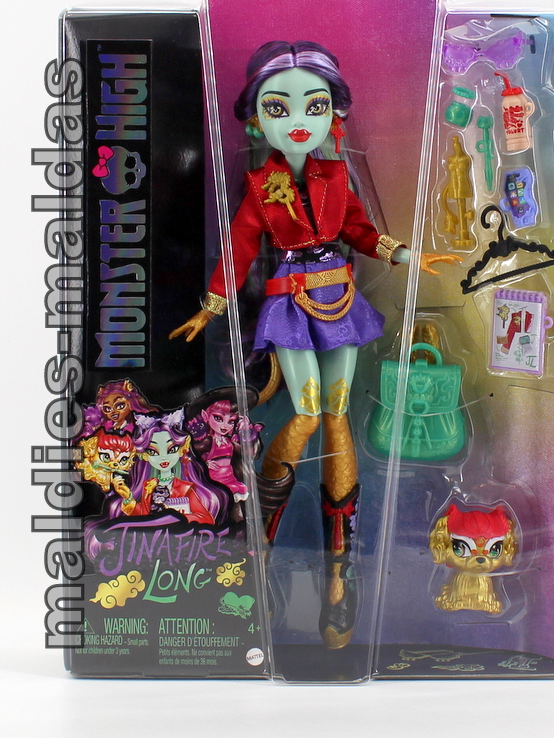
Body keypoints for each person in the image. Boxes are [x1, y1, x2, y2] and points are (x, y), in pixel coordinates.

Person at [170, 41, 455, 648]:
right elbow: (238, 249)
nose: (298, 119)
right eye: (278, 107)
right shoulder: (260, 185)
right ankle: (259, 545)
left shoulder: (335, 176)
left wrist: (407, 255)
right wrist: (211, 307)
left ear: (335, 113)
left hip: (341, 303)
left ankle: (338, 579)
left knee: (337, 413)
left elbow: (360, 230)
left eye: (315, 105)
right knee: (303, 413)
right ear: (256, 118)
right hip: (290, 307)